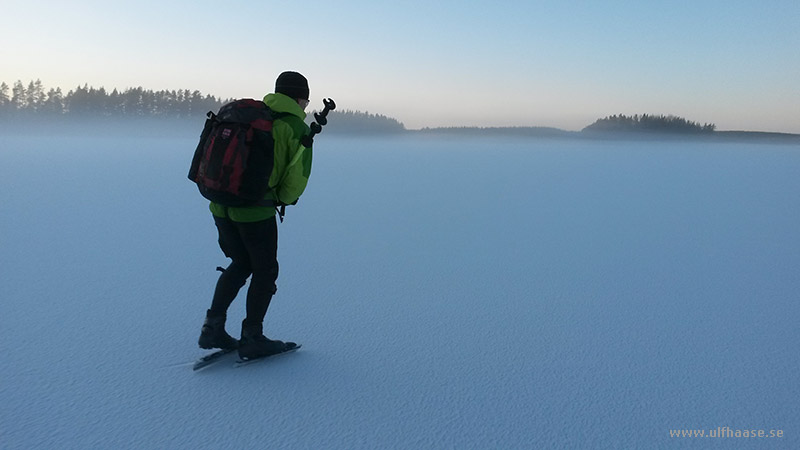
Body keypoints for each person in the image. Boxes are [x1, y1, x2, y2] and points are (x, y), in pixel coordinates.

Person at [198, 71, 312, 360]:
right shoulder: (294, 127)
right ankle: (253, 336)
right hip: (253, 210)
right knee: (265, 269)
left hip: (219, 204)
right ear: (299, 98)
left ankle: (213, 327)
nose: (306, 107)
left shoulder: (248, 116)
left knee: (241, 262)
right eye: (306, 101)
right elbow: (291, 189)